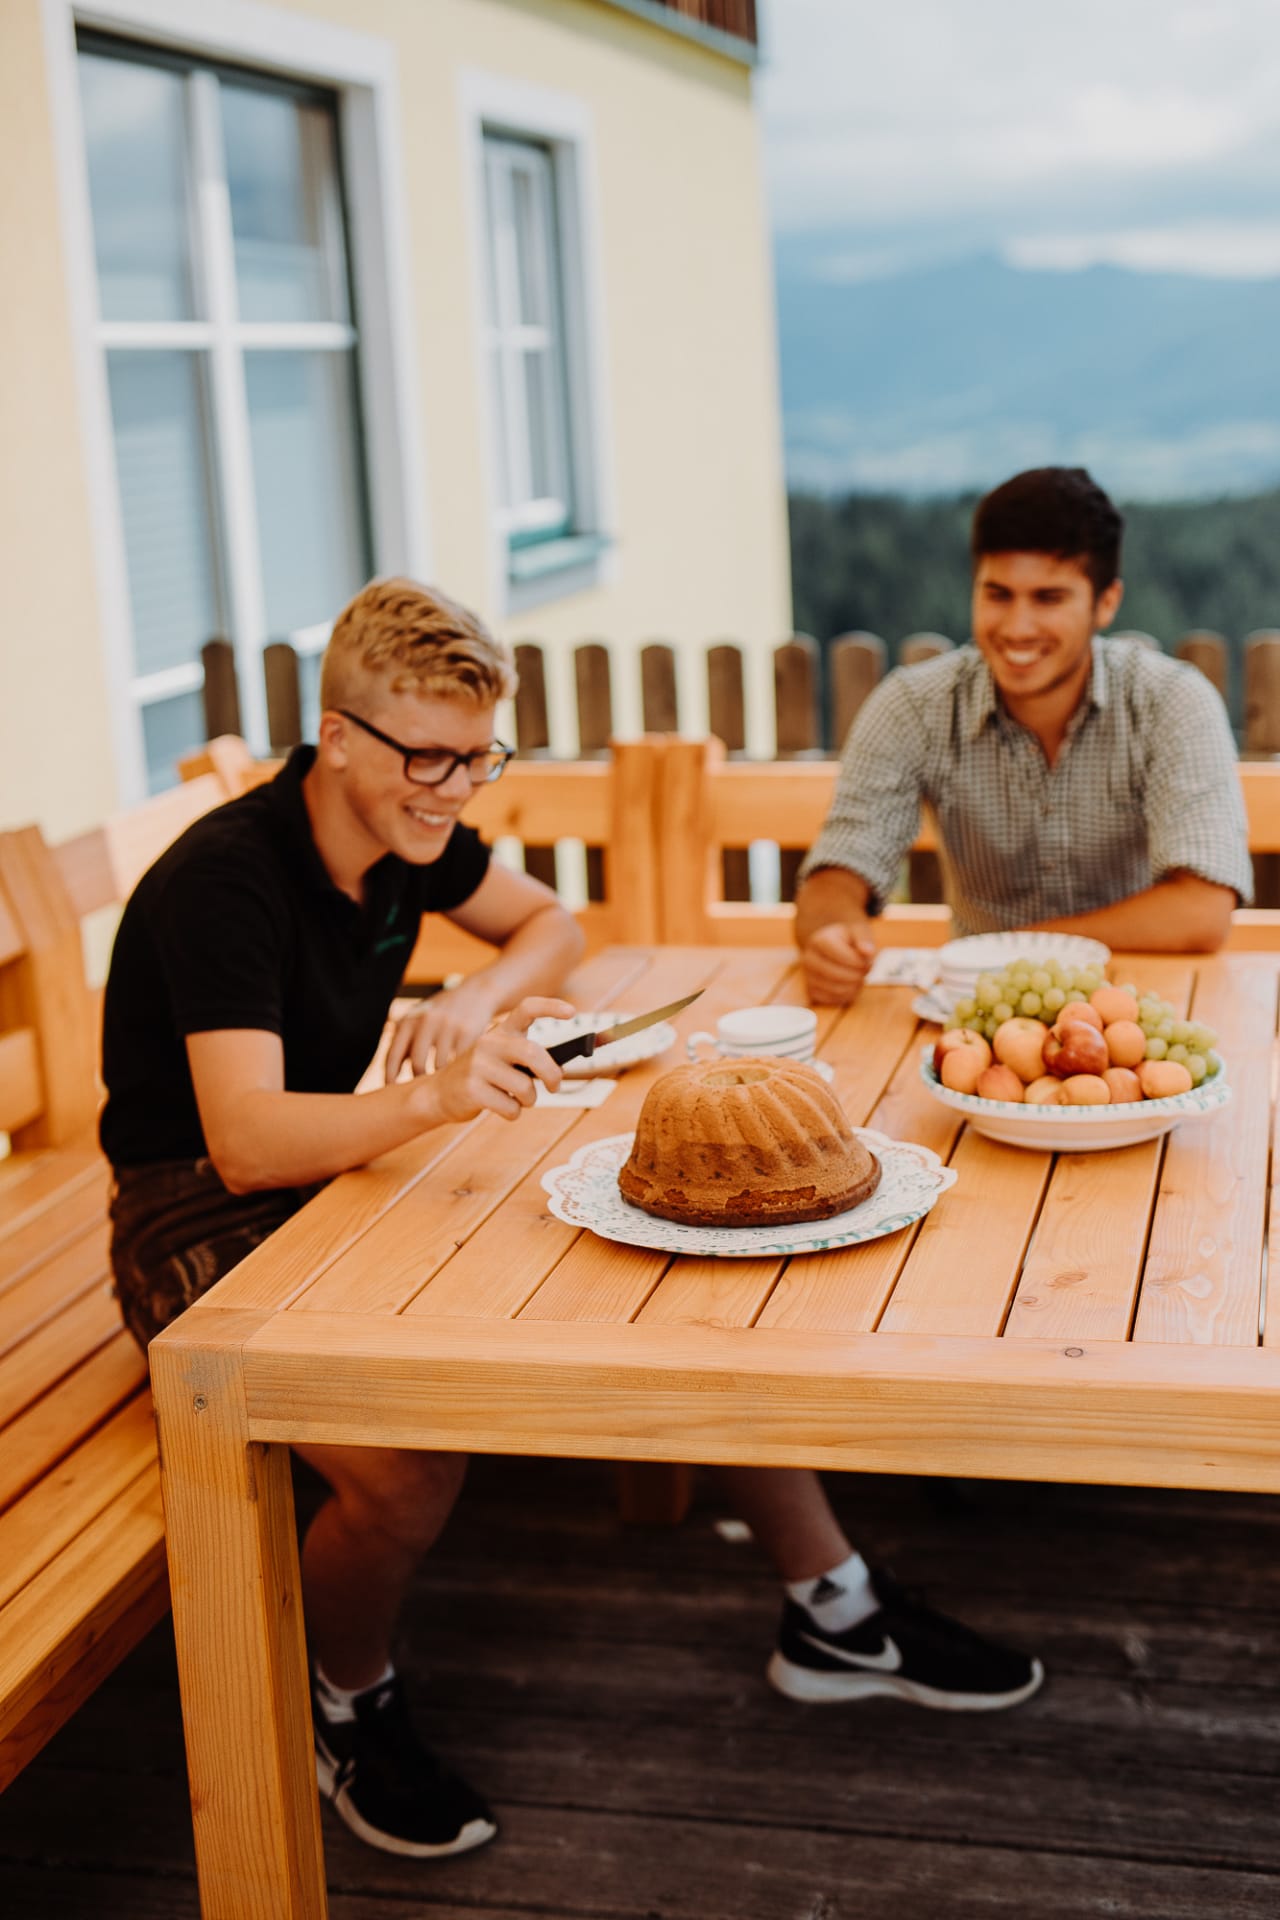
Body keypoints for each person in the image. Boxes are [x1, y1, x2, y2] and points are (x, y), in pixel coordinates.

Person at [102, 578, 1042, 1869]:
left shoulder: (407, 830)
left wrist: (476, 992)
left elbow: (554, 922)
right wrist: (438, 1092)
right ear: (336, 738)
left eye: (476, 758)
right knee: (408, 1466)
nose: (454, 789)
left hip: (332, 1167)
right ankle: (344, 1704)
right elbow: (244, 1142)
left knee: (685, 1262)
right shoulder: (229, 881)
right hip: (191, 1215)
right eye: (427, 758)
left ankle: (833, 1608)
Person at [796, 467, 1253, 1005]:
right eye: (998, 594)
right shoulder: (912, 706)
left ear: (1106, 602)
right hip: (976, 1017)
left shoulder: (1171, 701)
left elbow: (1202, 911)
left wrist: (1018, 950)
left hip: (1136, 1009)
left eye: (1048, 598)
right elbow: (837, 875)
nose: (1016, 626)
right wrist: (831, 933)